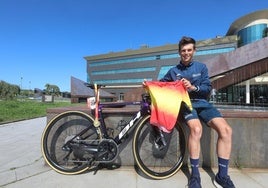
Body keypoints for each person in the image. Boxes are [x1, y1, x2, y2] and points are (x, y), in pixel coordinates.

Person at [160, 36, 235, 188]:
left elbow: (207, 88)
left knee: (226, 130)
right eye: (183, 51)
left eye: (189, 50)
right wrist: (147, 84)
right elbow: (160, 85)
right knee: (196, 129)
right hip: (186, 105)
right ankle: (195, 177)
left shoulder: (201, 67)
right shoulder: (173, 71)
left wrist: (193, 88)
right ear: (179, 52)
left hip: (203, 104)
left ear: (194, 50)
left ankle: (222, 176)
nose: (186, 53)